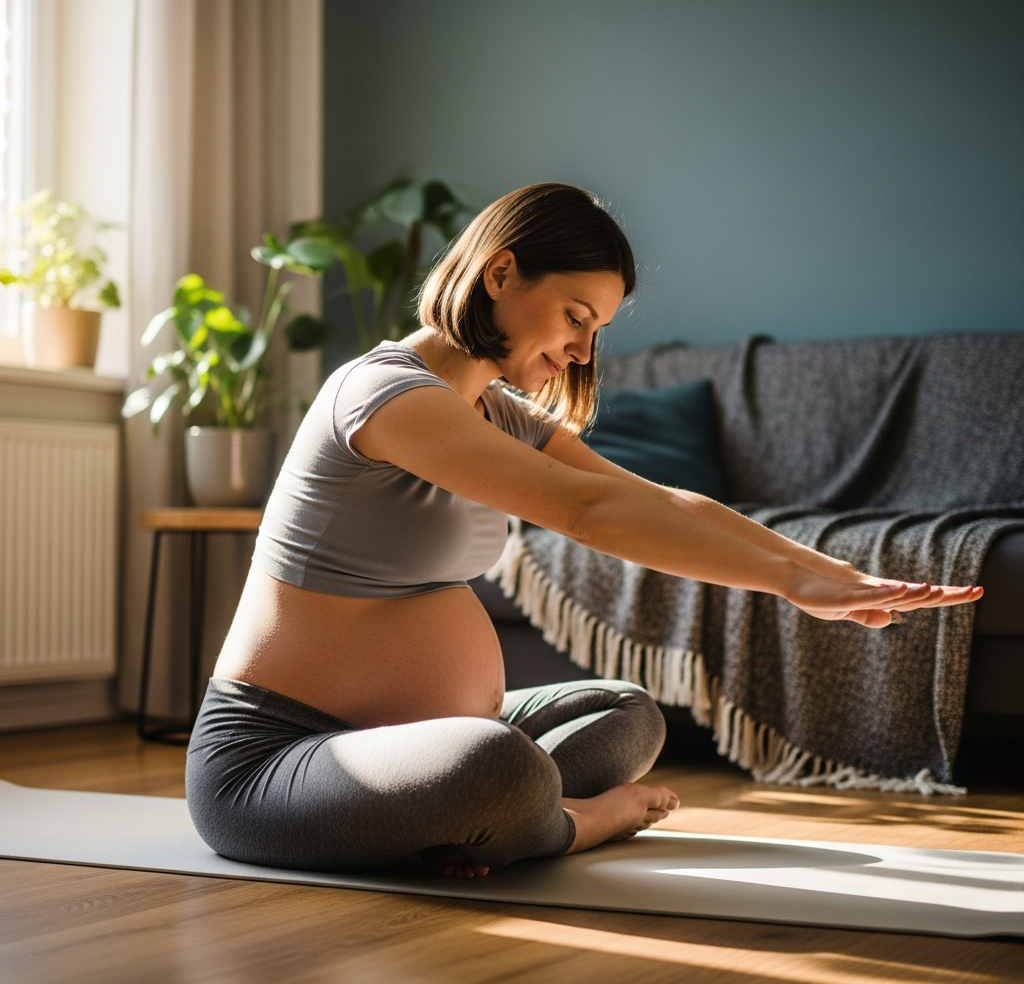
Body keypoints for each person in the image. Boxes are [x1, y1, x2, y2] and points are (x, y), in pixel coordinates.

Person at [185, 183, 981, 879]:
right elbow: (586, 511)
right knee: (494, 764)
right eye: (575, 317)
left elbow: (660, 501)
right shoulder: (383, 394)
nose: (581, 350)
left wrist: (826, 573)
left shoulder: (496, 413)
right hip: (279, 758)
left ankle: (480, 820)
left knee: (628, 712)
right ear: (501, 273)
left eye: (595, 328)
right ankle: (573, 822)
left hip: (423, 744)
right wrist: (784, 582)